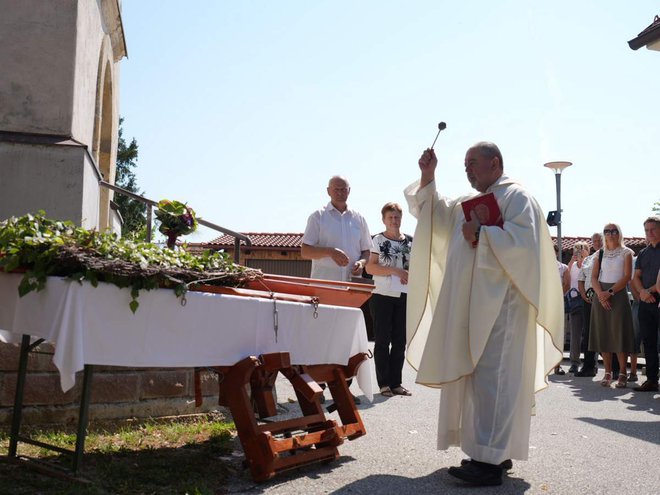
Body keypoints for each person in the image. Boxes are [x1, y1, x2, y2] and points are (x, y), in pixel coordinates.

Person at [404, 143, 563, 486]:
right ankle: (492, 452)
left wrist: (481, 233)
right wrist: (427, 176)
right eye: (464, 165)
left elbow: (525, 247)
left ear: (495, 163)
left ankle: (488, 464)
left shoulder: (517, 197)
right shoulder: (472, 202)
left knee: (498, 381)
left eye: (472, 163)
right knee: (484, 382)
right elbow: (435, 214)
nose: (468, 170)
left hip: (503, 311)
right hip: (476, 309)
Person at [301, 175, 372, 404]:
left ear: (349, 191)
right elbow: (305, 251)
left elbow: (366, 251)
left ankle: (342, 388)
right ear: (328, 191)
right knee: (321, 338)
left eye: (345, 188)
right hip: (324, 288)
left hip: (349, 288)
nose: (341, 192)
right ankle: (318, 387)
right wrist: (330, 251)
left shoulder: (358, 218)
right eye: (337, 188)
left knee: (345, 341)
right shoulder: (318, 216)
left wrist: (362, 263)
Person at [365, 202, 413, 398]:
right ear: (384, 220)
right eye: (390, 217)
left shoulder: (410, 241)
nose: (394, 220)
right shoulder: (377, 240)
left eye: (397, 217)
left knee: (400, 340)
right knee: (382, 340)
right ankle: (383, 383)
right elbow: (370, 268)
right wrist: (395, 270)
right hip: (382, 295)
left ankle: (396, 383)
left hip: (404, 295)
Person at [589, 223, 635, 388]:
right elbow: (593, 277)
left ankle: (623, 372)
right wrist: (601, 294)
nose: (610, 233)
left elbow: (627, 276)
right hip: (600, 295)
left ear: (619, 233)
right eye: (607, 231)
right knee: (603, 333)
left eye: (614, 230)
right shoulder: (599, 254)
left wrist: (609, 292)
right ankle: (607, 372)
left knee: (619, 333)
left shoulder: (626, 252)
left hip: (618, 294)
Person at [631, 216, 660, 392]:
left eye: (653, 229)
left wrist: (648, 291)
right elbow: (636, 277)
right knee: (648, 342)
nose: (650, 233)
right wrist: (642, 293)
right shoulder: (643, 253)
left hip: (658, 299)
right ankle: (651, 380)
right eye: (647, 230)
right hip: (646, 303)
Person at [575, 233, 603, 377]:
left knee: (608, 332)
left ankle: (616, 370)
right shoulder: (588, 260)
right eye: (595, 241)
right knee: (588, 334)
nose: (597, 242)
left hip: (606, 298)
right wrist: (583, 295)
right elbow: (581, 279)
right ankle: (588, 367)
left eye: (600, 240)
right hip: (588, 300)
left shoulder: (612, 256)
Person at [566, 242, 590, 373]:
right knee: (575, 334)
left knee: (589, 334)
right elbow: (566, 277)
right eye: (576, 249)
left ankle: (590, 363)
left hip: (588, 300)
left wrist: (583, 260)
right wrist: (572, 261)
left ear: (588, 250)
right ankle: (574, 362)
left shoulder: (591, 263)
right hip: (575, 300)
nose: (579, 252)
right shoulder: (572, 265)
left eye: (582, 249)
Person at [554, 244, 570, 375]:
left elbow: (567, 285)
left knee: (559, 333)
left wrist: (556, 298)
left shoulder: (563, 268)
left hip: (558, 304)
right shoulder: (539, 266)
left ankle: (557, 365)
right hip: (541, 304)